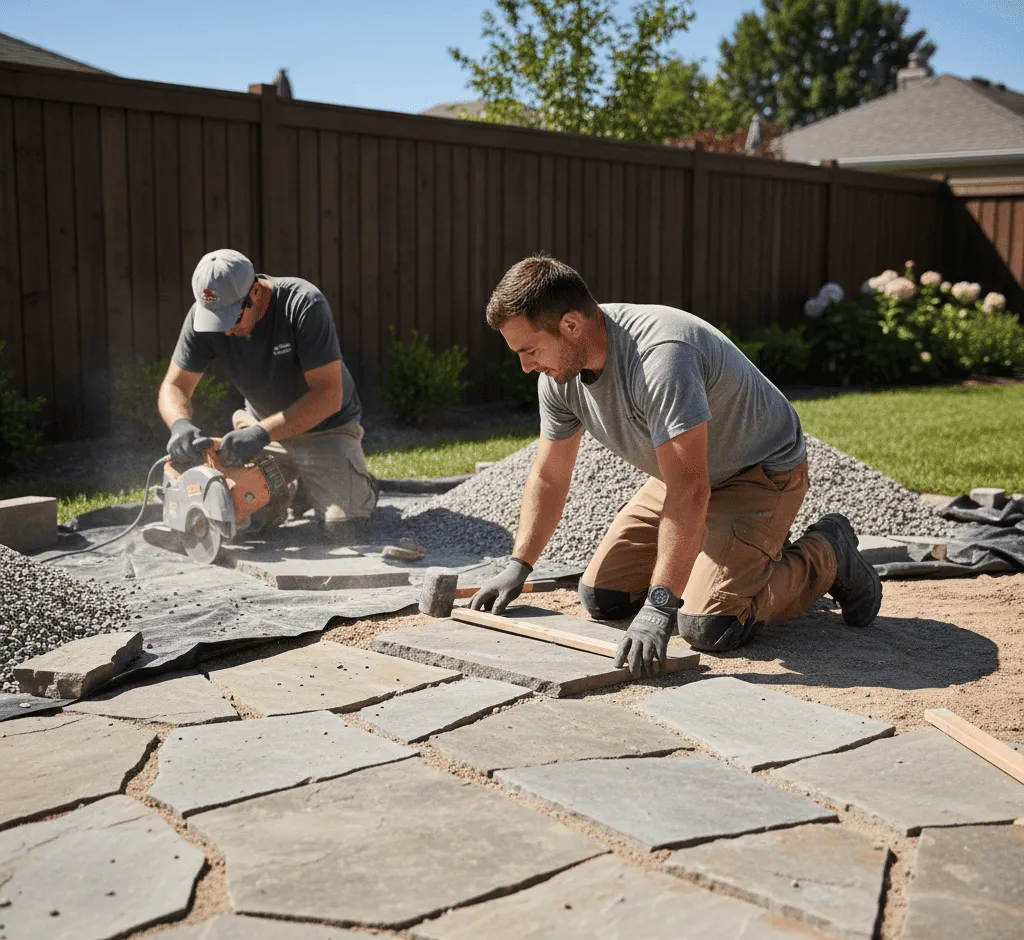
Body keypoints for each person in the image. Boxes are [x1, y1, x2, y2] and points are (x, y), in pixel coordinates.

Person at [469, 254, 882, 677]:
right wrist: (519, 565)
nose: (525, 365)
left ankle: (828, 553)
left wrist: (661, 602)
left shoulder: (661, 357)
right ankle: (732, 555)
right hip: (685, 472)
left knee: (709, 625)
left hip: (757, 473)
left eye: (530, 349)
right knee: (602, 597)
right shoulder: (559, 380)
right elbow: (549, 475)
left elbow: (690, 490)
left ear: (571, 325)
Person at [158, 249, 377, 536]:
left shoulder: (302, 304)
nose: (223, 331)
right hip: (260, 430)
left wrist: (262, 433)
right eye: (215, 320)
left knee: (345, 529)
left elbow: (328, 396)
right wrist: (179, 424)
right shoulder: (205, 315)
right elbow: (174, 385)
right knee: (239, 520)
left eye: (230, 319)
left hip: (326, 429)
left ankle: (357, 484)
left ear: (257, 293)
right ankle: (292, 491)